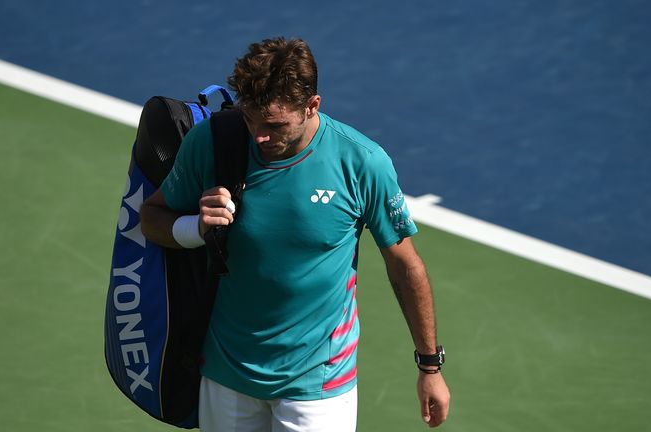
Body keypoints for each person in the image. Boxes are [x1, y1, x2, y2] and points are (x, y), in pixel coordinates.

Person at [140, 37, 450, 431]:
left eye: (274, 125)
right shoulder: (214, 143)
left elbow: (405, 266)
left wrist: (429, 366)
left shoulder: (363, 163)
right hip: (225, 373)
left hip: (319, 383)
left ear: (312, 106)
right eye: (250, 118)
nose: (259, 136)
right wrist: (196, 228)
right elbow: (151, 217)